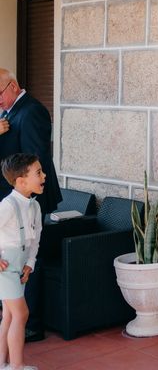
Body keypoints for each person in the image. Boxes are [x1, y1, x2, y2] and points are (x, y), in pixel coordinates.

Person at [0, 69, 62, 342]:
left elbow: (34, 162)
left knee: (28, 261)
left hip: (29, 202)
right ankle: (13, 316)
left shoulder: (31, 111)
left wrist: (27, 202)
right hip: (13, 204)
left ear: (12, 86)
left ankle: (32, 325)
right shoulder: (8, 114)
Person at [0, 153, 44, 370]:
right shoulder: (7, 206)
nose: (44, 176)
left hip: (21, 264)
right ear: (21, 181)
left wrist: (31, 263)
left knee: (8, 315)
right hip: (5, 266)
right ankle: (16, 366)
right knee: (21, 313)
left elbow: (35, 239)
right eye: (38, 172)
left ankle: (2, 363)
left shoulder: (35, 207)